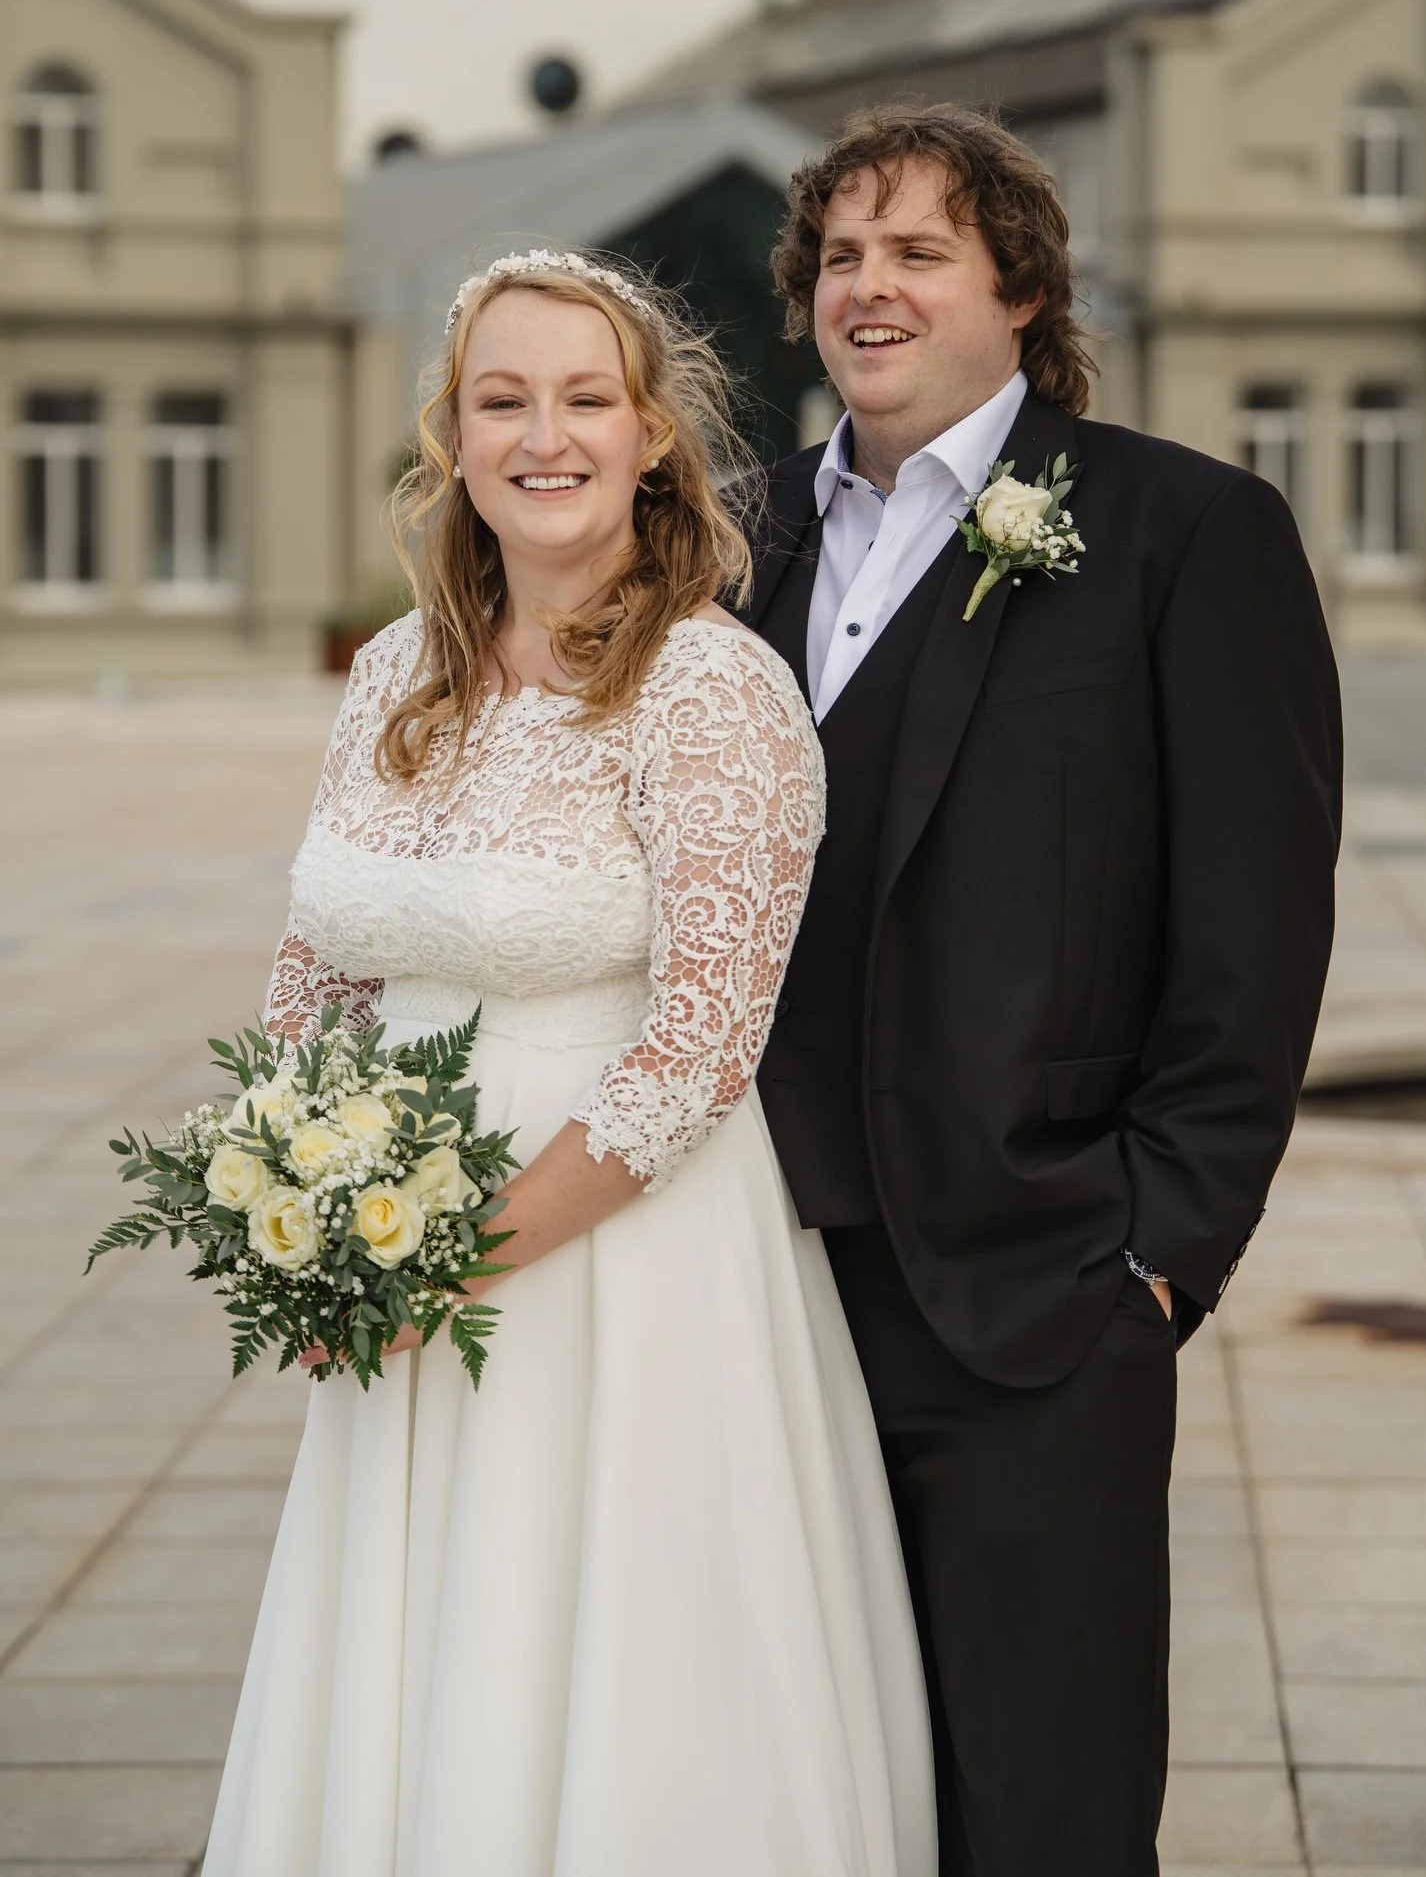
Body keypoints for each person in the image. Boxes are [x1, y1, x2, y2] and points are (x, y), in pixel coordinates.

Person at [203, 251, 936, 1877]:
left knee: (606, 1647)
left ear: (654, 437)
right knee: (414, 1647)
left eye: (587, 398)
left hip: (625, 1261)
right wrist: (294, 1210)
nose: (549, 434)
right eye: (504, 399)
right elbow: (319, 957)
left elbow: (701, 1045)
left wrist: (449, 1259)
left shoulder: (714, 690)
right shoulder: (396, 670)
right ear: (453, 437)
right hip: (384, 1256)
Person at [750, 104, 1343, 1877]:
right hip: (752, 1295)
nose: (872, 286)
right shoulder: (727, 529)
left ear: (1019, 286)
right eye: (842, 256)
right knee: (809, 1792)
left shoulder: (1187, 531)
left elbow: (1256, 924)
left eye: (918, 250)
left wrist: (1162, 1244)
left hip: (1039, 1288)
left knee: (1044, 1806)